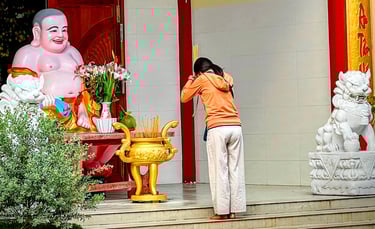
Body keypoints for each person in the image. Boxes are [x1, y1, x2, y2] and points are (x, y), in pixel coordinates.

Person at [0, 8, 99, 131]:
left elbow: (84, 89)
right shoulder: (27, 54)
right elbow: (19, 91)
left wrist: (82, 111)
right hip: (47, 111)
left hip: (78, 112)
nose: (60, 35)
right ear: (37, 32)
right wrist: (42, 100)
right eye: (53, 30)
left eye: (64, 30)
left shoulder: (73, 53)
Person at [181, 57, 246, 220]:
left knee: (219, 171)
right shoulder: (225, 76)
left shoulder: (201, 79)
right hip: (235, 127)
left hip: (217, 128)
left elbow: (184, 97)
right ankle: (235, 209)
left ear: (199, 72)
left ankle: (222, 212)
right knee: (235, 170)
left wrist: (191, 79)